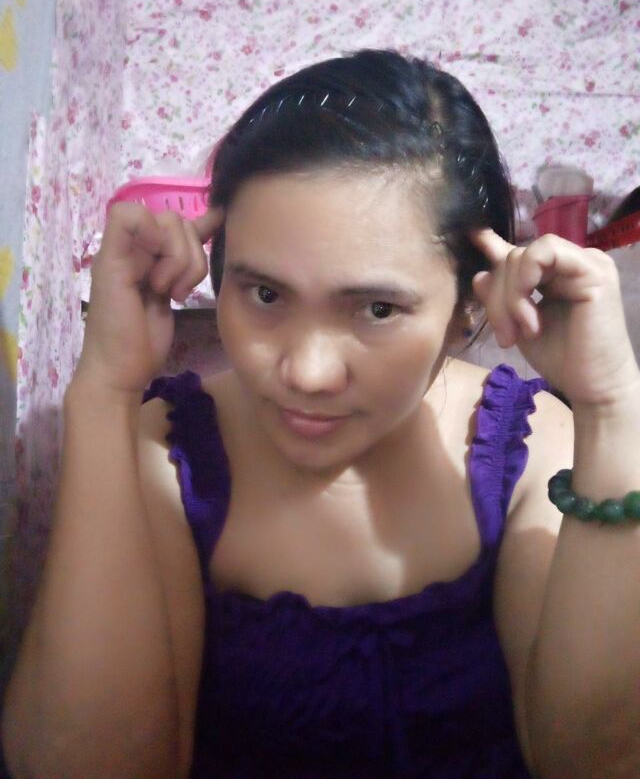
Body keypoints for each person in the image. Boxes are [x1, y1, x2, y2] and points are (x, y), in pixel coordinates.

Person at [3, 49, 640, 779]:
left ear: (470, 300)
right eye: (266, 294)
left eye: (377, 309)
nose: (305, 372)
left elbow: (597, 759)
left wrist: (611, 405)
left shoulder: (531, 451)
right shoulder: (170, 454)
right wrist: (105, 390)